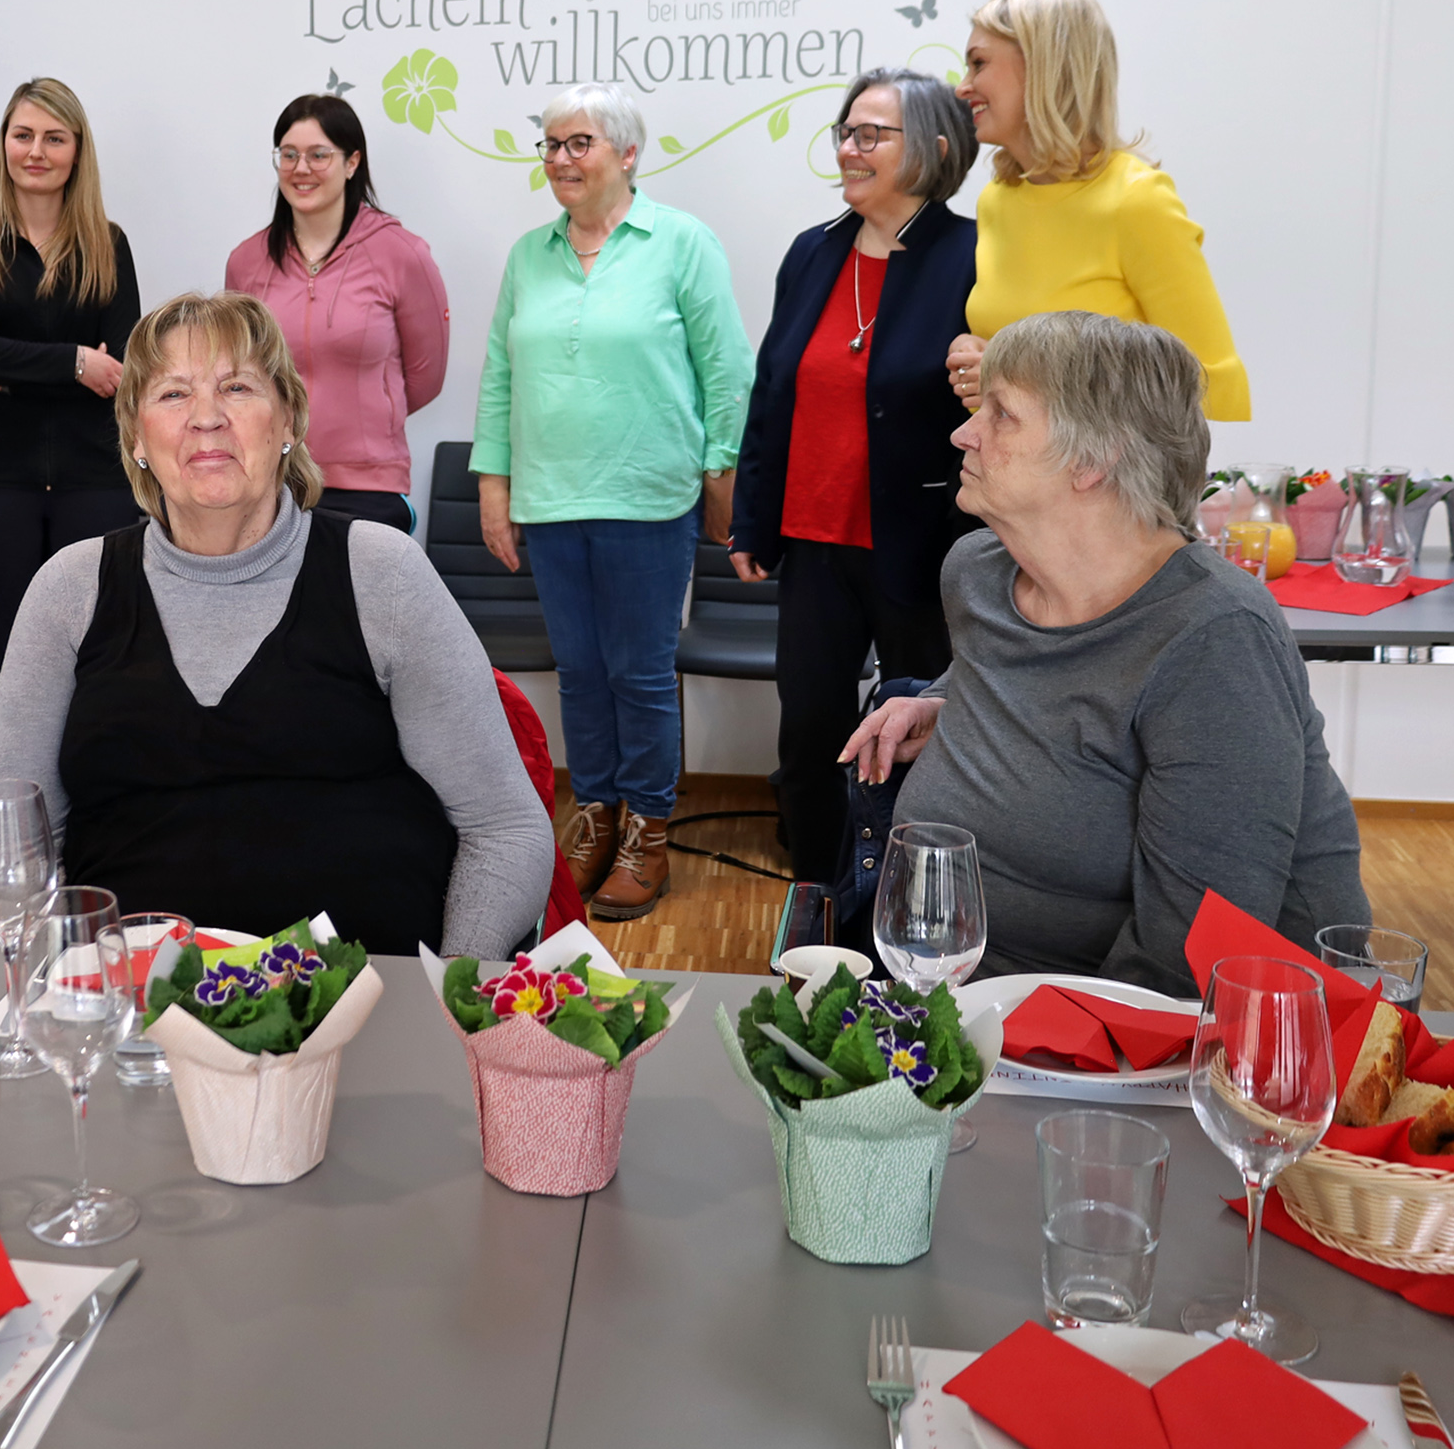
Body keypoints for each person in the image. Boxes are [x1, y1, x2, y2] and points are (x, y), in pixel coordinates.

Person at [0, 292, 551, 957]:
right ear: (135, 436)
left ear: (288, 421)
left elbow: (506, 826)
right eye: (172, 394)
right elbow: (10, 855)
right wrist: (50, 1008)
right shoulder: (68, 592)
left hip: (365, 1008)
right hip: (133, 1022)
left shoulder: (382, 574)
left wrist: (449, 1003)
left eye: (237, 387)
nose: (206, 418)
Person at [841, 313, 1366, 997]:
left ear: (1093, 459)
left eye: (1002, 414)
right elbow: (1023, 673)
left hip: (1169, 1045)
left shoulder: (1213, 636)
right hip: (955, 988)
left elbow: (1187, 962)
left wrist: (1002, 1052)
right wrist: (945, 698)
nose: (962, 432)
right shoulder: (976, 571)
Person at [474, 83, 753, 921]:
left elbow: (728, 370)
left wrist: (721, 475)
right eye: (551, 145)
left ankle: (649, 834)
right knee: (581, 672)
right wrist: (495, 487)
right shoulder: (530, 254)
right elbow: (499, 375)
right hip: (552, 501)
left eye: (579, 143)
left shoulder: (681, 243)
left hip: (648, 497)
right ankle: (594, 814)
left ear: (628, 154)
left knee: (639, 673)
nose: (561, 159)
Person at [730, 69, 980, 882]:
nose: (850, 147)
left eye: (873, 134)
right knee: (808, 740)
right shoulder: (813, 251)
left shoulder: (976, 255)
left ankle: (909, 912)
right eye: (846, 130)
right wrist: (753, 519)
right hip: (812, 543)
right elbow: (773, 391)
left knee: (915, 744)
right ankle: (816, 908)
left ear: (936, 149)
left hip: (923, 548)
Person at [0, 79, 142, 782]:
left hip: (95, 484)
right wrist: (72, 361)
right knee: (3, 665)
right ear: (4, 144)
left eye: (54, 137)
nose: (37, 150)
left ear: (77, 151)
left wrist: (18, 363)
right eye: (23, 134)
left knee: (92, 661)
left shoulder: (108, 245)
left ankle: (86, 827)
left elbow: (122, 367)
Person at [947, 0, 1250, 421]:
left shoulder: (1136, 200)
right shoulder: (998, 199)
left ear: (1044, 66)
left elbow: (1206, 384)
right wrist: (976, 354)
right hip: (1009, 479)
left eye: (979, 64)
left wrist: (1010, 368)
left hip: (1103, 485)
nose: (963, 87)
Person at [222, 93, 450, 532]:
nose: (301, 168)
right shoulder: (246, 262)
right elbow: (239, 372)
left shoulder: (402, 254)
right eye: (288, 155)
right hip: (273, 479)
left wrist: (370, 412)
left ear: (352, 163)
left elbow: (425, 377)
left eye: (318, 155)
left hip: (369, 486)